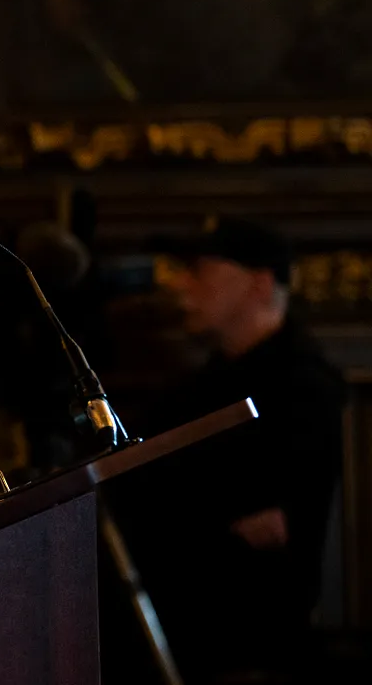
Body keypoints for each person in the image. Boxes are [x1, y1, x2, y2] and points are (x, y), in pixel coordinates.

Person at [125, 217, 346, 682]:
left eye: (202, 271)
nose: (183, 286)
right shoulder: (201, 383)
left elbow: (268, 524)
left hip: (250, 647)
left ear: (259, 284)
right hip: (183, 631)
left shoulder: (304, 385)